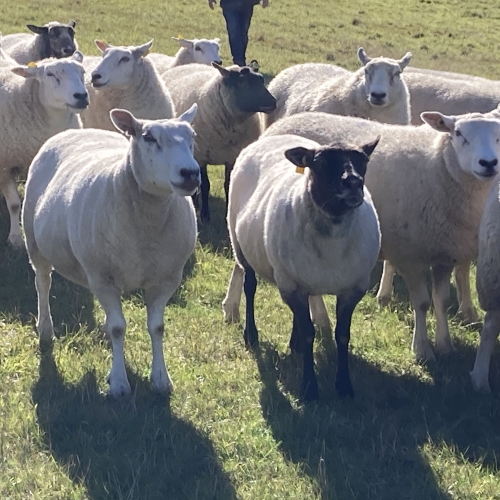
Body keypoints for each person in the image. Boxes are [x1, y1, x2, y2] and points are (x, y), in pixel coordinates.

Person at [208, 0, 269, 67]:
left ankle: (241, 60)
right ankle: (238, 61)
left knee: (243, 33)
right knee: (233, 31)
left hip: (247, 4)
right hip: (229, 4)